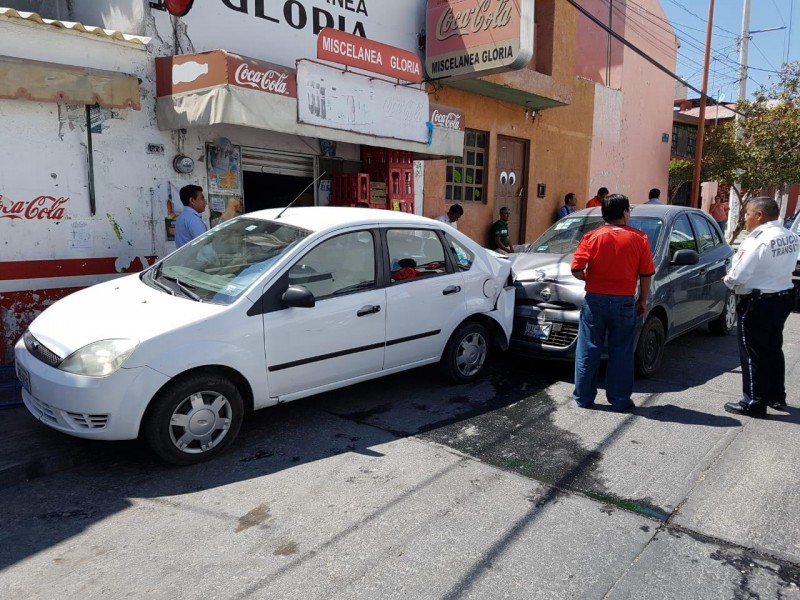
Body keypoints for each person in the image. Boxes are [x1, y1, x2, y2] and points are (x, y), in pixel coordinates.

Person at [570, 194, 655, 412]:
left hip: (595, 300)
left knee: (588, 348)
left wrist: (590, 278)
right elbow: (646, 274)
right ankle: (619, 400)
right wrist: (643, 300)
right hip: (625, 302)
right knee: (621, 351)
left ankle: (583, 398)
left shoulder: (591, 236)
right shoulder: (640, 238)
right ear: (625, 213)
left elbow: (577, 269)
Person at [722, 197, 799, 417]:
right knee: (773, 348)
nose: (745, 218)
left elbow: (740, 272)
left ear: (759, 215)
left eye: (747, 213)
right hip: (782, 297)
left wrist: (727, 281)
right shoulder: (789, 235)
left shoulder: (756, 239)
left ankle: (754, 401)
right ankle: (776, 395)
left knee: (752, 353)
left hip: (759, 301)